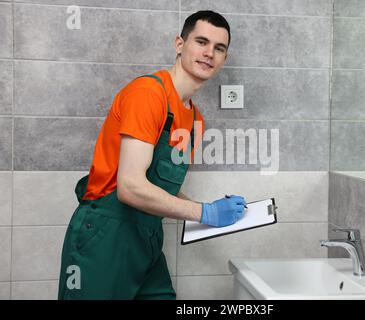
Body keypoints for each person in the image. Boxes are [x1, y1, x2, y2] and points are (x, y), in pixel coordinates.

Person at [58, 10, 247, 300]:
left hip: (146, 240)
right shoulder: (148, 94)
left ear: (224, 59)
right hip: (106, 237)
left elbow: (161, 186)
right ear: (179, 44)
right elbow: (131, 188)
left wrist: (207, 210)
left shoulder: (196, 120)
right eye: (201, 41)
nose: (209, 52)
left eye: (219, 48)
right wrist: (204, 212)